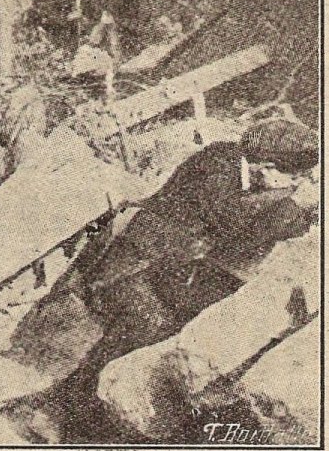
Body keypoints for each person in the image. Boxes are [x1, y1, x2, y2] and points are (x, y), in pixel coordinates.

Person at [48, 118, 319, 441]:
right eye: (293, 176)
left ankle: (93, 407)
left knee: (191, 329)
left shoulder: (254, 178)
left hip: (175, 269)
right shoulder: (217, 165)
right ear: (266, 166)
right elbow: (231, 227)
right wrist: (294, 210)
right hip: (135, 263)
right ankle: (71, 411)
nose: (298, 183)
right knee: (147, 328)